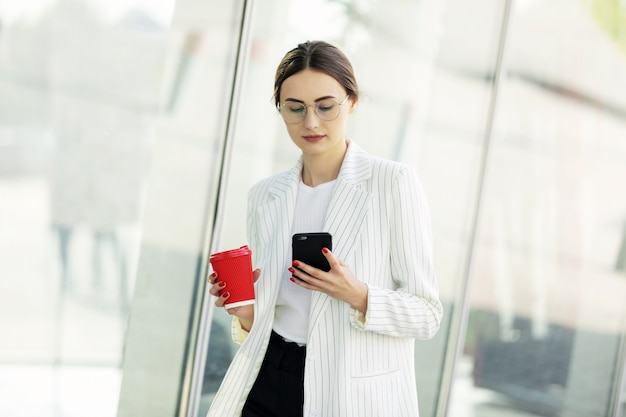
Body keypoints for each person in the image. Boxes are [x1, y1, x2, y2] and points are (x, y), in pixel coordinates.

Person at [207, 40, 443, 417]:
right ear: (280, 110)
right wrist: (245, 310)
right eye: (295, 108)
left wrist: (359, 294)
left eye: (325, 106)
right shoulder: (264, 196)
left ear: (351, 102)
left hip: (348, 390)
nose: (310, 122)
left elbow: (428, 313)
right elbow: (276, 315)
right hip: (267, 375)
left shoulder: (391, 183)